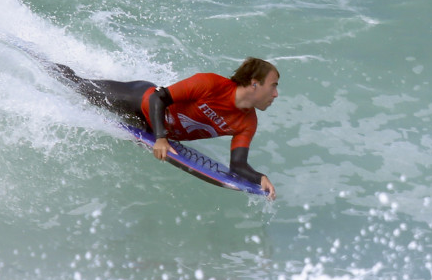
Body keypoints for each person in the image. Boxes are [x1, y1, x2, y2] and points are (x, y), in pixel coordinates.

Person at [51, 57, 279, 200]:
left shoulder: (247, 123)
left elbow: (237, 165)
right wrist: (161, 138)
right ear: (254, 84)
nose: (276, 94)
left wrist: (260, 178)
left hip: (148, 127)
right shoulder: (210, 84)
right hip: (139, 100)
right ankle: (43, 62)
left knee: (85, 94)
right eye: (273, 86)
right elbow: (159, 97)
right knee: (78, 87)